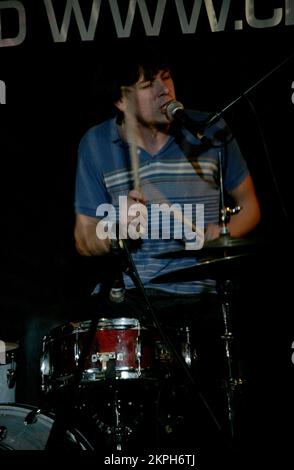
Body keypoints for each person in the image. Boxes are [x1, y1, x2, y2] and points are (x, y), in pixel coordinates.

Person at [16, 41, 260, 450]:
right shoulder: (94, 144)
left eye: (166, 76)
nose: (165, 89)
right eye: (149, 83)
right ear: (120, 100)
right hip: (129, 296)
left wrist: (216, 238)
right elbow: (83, 239)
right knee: (37, 330)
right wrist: (116, 234)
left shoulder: (210, 131)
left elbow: (251, 206)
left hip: (196, 295)